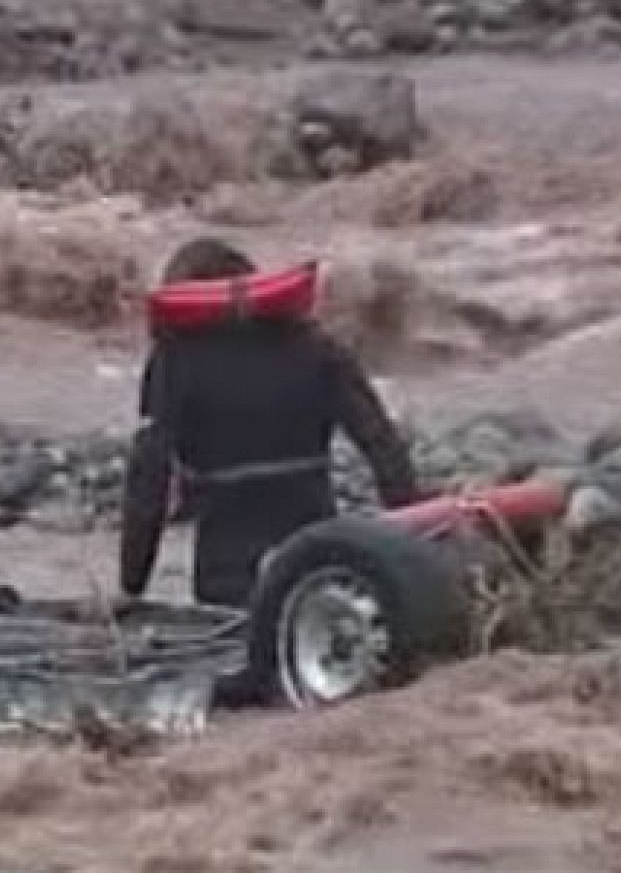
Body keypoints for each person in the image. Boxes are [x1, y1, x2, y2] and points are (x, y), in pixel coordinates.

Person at [120, 237, 422, 609]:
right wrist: (413, 546)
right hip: (315, 551)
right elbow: (383, 447)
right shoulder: (317, 347)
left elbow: (148, 479)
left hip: (225, 566)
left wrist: (132, 585)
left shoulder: (175, 361)